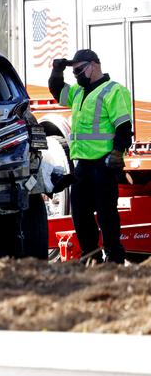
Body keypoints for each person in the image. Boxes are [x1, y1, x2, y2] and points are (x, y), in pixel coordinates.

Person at [49, 49, 133, 264]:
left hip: (103, 165)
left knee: (107, 216)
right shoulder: (78, 91)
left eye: (79, 70)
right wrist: (57, 72)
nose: (76, 75)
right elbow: (58, 91)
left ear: (94, 65)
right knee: (81, 215)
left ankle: (114, 259)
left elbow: (124, 127)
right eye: (74, 71)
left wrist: (117, 153)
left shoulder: (113, 91)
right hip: (83, 166)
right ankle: (91, 258)